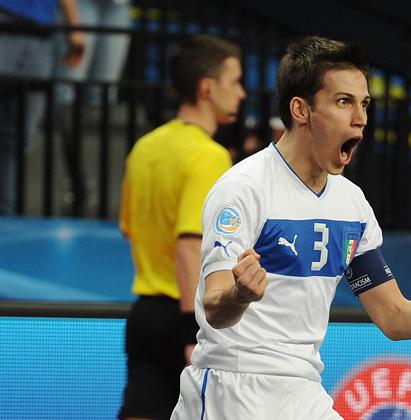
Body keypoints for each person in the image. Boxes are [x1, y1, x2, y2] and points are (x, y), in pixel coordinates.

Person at [171, 35, 411, 420]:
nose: (360, 118)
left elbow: (394, 317)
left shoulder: (352, 205)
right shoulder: (243, 189)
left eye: (364, 104)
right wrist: (240, 293)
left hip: (304, 392)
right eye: (343, 102)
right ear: (301, 110)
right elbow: (215, 307)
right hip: (234, 388)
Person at [118, 34, 246, 420]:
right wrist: (192, 332)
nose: (241, 93)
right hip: (186, 319)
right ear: (207, 88)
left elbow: (130, 229)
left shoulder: (145, 146)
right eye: (234, 81)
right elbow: (191, 246)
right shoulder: (209, 156)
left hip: (143, 316)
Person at [0, 0, 84, 214]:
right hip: (6, 19)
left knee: (19, 138)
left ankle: (6, 218)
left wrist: (74, 27)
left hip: (42, 31)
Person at [52, 0, 132, 216]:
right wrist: (73, 23)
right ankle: (74, 180)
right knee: (67, 92)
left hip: (118, 6)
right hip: (80, 4)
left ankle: (91, 178)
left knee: (103, 94)